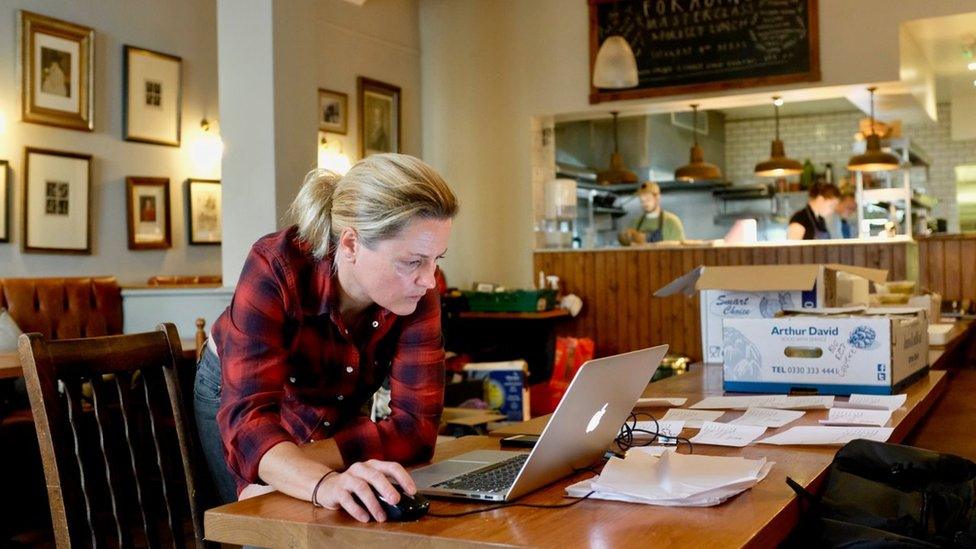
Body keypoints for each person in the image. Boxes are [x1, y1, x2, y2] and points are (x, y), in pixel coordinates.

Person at [193, 153, 458, 523]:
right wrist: (319, 482)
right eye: (413, 261)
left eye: (436, 260)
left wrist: (293, 469)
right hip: (237, 392)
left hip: (332, 400)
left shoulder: (418, 292)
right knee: (265, 520)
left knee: (342, 513)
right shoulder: (275, 266)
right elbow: (249, 425)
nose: (430, 280)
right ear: (350, 245)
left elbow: (417, 432)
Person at [618, 181, 685, 245]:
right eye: (642, 201)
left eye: (648, 199)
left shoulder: (672, 222)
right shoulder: (635, 223)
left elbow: (678, 252)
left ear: (657, 198)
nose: (644, 204)